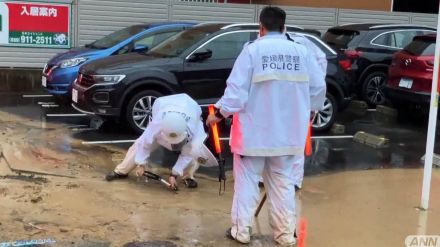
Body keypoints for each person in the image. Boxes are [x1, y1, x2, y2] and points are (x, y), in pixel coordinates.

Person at [206, 6, 326, 246]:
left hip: (254, 136)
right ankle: (284, 234)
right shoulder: (302, 52)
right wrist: (309, 112)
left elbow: (236, 94)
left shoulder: (252, 51)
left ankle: (241, 232)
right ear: (284, 26)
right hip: (288, 137)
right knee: (283, 186)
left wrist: (218, 114)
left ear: (261, 27)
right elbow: (318, 89)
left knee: (247, 186)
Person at [106, 93, 217, 190]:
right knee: (137, 146)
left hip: (188, 112)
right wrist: (141, 164)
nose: (174, 145)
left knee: (194, 153)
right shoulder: (157, 124)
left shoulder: (195, 130)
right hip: (164, 108)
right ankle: (121, 171)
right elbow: (144, 144)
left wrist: (174, 174)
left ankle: (188, 177)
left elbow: (187, 155)